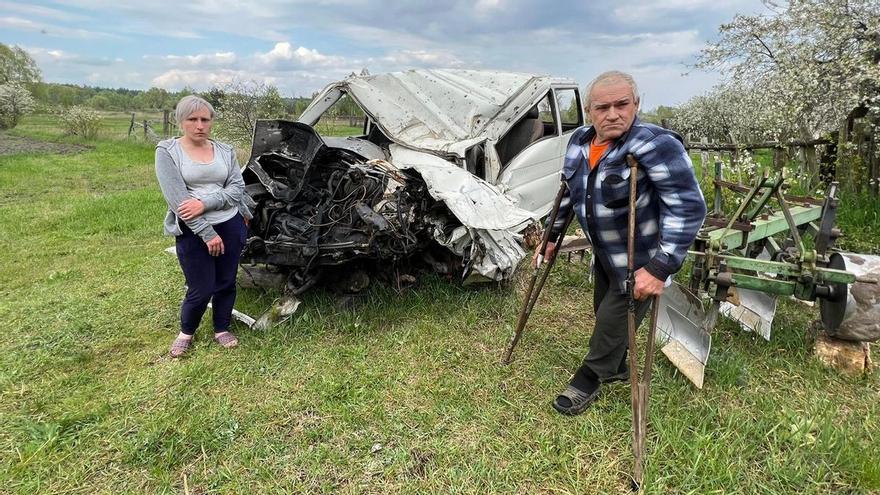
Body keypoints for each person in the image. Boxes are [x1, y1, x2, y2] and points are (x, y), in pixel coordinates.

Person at [536, 71, 707, 415]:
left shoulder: (655, 144)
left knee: (611, 321)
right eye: (602, 107)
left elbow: (688, 206)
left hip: (640, 257)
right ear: (588, 111)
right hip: (604, 252)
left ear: (636, 105)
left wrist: (660, 267)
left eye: (621, 104)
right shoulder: (579, 143)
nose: (612, 114)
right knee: (603, 311)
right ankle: (616, 367)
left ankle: (589, 377)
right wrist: (551, 237)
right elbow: (568, 195)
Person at [155, 95, 253, 357]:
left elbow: (236, 189)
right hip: (193, 231)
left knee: (226, 282)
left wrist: (205, 202)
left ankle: (221, 328)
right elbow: (179, 201)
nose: (199, 125)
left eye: (205, 119)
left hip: (230, 224)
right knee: (201, 287)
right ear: (181, 121)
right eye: (192, 119)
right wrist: (207, 233)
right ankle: (186, 332)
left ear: (211, 122)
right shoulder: (167, 152)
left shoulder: (225, 150)